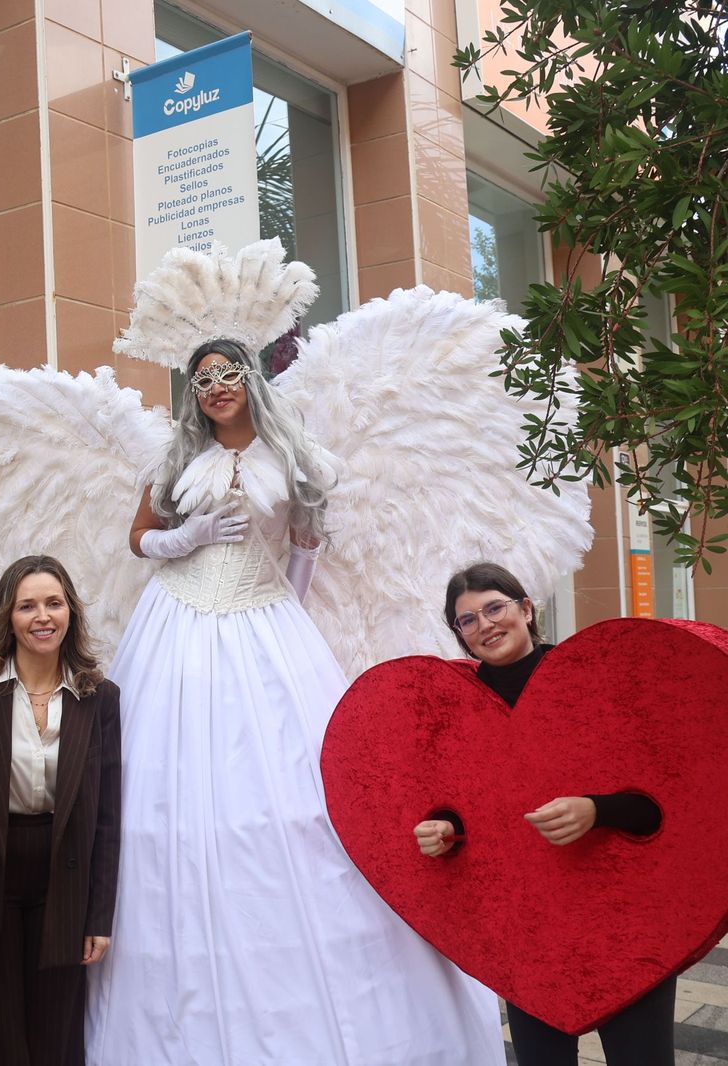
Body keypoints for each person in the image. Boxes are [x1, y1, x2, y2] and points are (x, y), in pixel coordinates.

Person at [84, 339, 505, 1065]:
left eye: (229, 375)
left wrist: (289, 624)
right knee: (162, 794)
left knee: (300, 798)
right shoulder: (176, 462)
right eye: (204, 380)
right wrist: (188, 535)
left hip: (266, 622)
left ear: (252, 380)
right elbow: (139, 537)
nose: (216, 388)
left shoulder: (298, 459)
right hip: (175, 624)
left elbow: (305, 549)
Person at [413, 561, 671, 1065]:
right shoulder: (454, 711)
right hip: (530, 928)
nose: (485, 625)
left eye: (495, 608)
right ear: (459, 634)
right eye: (468, 620)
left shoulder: (590, 681)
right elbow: (469, 804)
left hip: (626, 917)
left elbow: (659, 802)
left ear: (527, 609)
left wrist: (596, 810)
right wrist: (447, 830)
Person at [0, 555, 121, 1066]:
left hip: (64, 878)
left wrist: (99, 915)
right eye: (27, 605)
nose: (41, 616)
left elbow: (108, 818)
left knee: (57, 1037)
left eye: (53, 603)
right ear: (8, 615)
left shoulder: (100, 697)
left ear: (71, 612)